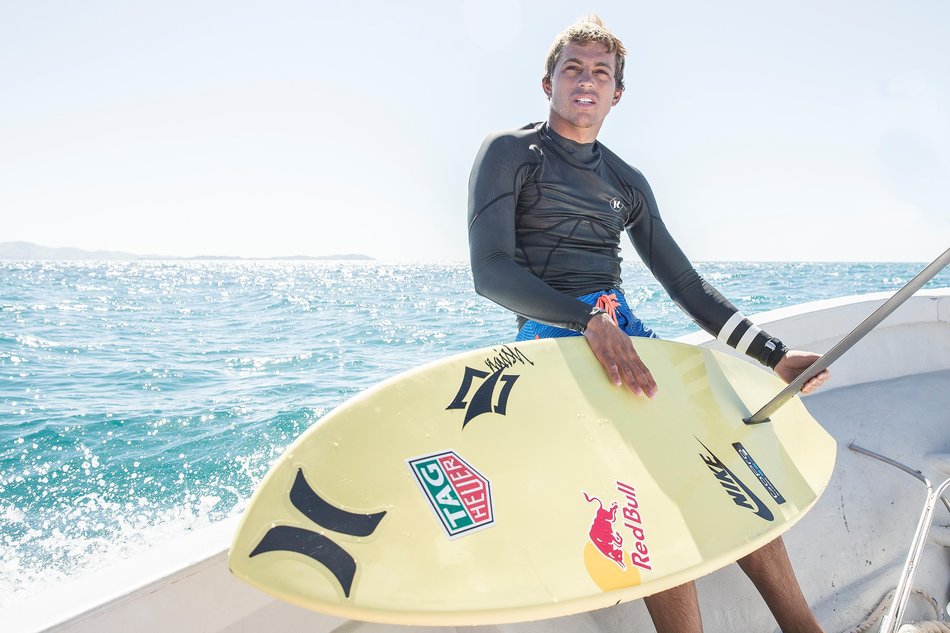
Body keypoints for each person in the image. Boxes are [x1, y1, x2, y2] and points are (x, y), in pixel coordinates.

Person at [467, 14, 830, 633]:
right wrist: (587, 323)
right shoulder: (510, 153)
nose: (587, 80)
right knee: (649, 491)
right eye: (573, 68)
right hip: (552, 336)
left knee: (730, 463)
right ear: (547, 81)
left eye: (601, 73)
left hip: (619, 327)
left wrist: (773, 354)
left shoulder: (626, 181)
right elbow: (493, 273)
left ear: (617, 94)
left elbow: (685, 285)